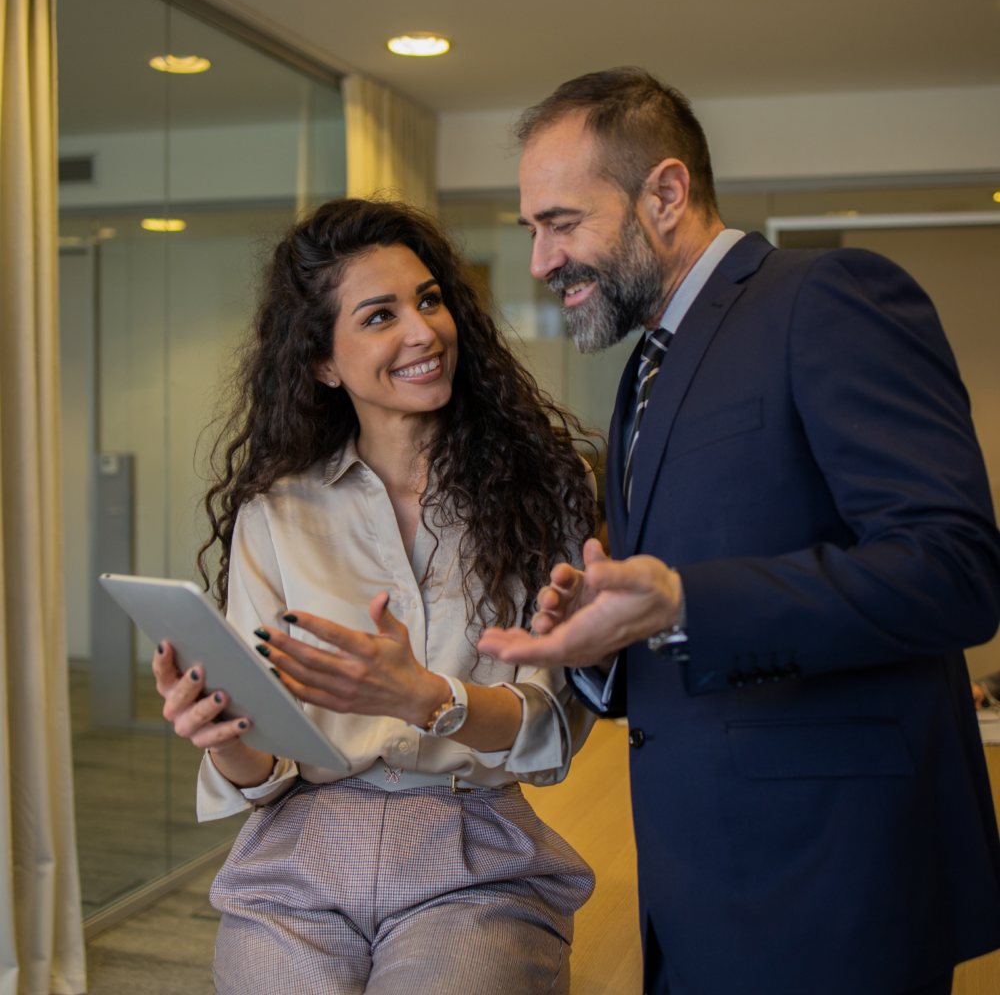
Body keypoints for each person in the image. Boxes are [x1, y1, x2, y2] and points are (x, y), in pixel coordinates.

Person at [479, 67, 1000, 995]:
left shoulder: (829, 296)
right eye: (531, 231)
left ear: (666, 194)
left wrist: (684, 601)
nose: (540, 261)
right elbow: (678, 622)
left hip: (832, 883)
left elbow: (953, 568)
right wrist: (599, 638)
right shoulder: (645, 369)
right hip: (695, 890)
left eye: (560, 223)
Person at [152, 198, 600, 995]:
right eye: (380, 315)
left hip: (473, 847)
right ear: (323, 361)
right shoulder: (276, 512)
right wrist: (220, 733)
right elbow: (267, 768)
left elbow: (556, 729)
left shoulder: (545, 495)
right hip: (302, 850)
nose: (424, 332)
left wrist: (433, 699)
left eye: (430, 300)